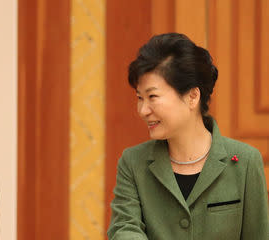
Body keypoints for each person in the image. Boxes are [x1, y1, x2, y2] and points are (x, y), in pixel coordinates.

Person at [107, 33, 268, 239]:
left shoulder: (245, 162)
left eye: (152, 97)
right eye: (140, 98)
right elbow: (124, 229)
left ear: (192, 96)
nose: (143, 110)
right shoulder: (133, 163)